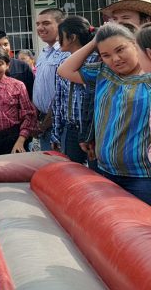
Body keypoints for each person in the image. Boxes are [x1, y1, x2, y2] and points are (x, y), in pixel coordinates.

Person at [57, 23, 151, 205]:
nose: (115, 59)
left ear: (135, 44)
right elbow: (64, 70)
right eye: (106, 55)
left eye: (120, 49)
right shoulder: (102, 72)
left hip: (142, 177)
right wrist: (94, 41)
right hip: (104, 171)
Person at [51, 16, 97, 164]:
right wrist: (56, 133)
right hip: (71, 130)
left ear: (72, 38)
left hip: (92, 130)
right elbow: (59, 101)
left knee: (95, 174)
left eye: (61, 35)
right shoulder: (63, 63)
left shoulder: (97, 61)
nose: (58, 39)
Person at [32, 8, 67, 151]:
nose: (40, 28)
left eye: (46, 23)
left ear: (61, 25)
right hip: (43, 123)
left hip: (58, 124)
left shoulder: (65, 53)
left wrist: (45, 123)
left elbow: (63, 94)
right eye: (38, 24)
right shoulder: (44, 53)